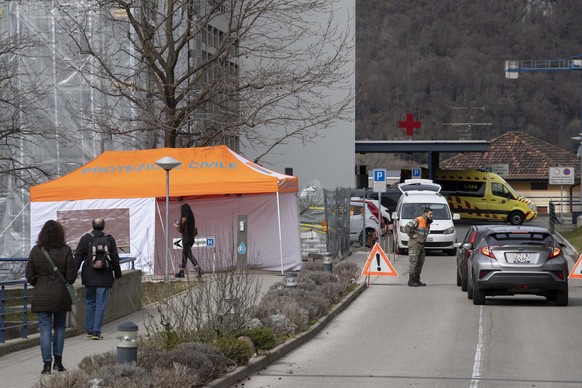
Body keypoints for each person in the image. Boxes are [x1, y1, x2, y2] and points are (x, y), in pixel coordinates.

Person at [26, 220, 77, 375]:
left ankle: (46, 365)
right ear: (60, 233)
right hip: (60, 295)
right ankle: (59, 362)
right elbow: (71, 277)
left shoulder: (36, 250)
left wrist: (40, 284)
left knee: (45, 330)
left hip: (41, 294)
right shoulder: (66, 250)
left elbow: (29, 275)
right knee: (60, 327)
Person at [73, 218, 122, 340]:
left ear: (92, 225)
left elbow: (78, 257)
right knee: (100, 304)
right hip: (105, 276)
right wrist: (117, 273)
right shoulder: (109, 238)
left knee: (90, 302)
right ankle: (96, 331)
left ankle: (89, 330)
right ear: (103, 226)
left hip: (89, 275)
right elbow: (115, 257)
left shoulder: (85, 238)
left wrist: (72, 274)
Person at [404, 207, 433, 287]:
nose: (431, 216)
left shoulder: (427, 222)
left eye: (431, 214)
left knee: (420, 262)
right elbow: (407, 227)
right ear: (425, 213)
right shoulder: (418, 220)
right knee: (414, 262)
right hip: (414, 244)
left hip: (421, 245)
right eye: (430, 214)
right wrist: (412, 235)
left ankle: (417, 279)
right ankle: (411, 280)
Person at [174, 203, 201, 278]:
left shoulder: (183, 218)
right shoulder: (191, 218)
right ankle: (181, 272)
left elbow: (181, 230)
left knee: (189, 255)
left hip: (185, 238)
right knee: (184, 254)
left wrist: (176, 226)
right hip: (191, 238)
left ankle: (198, 270)